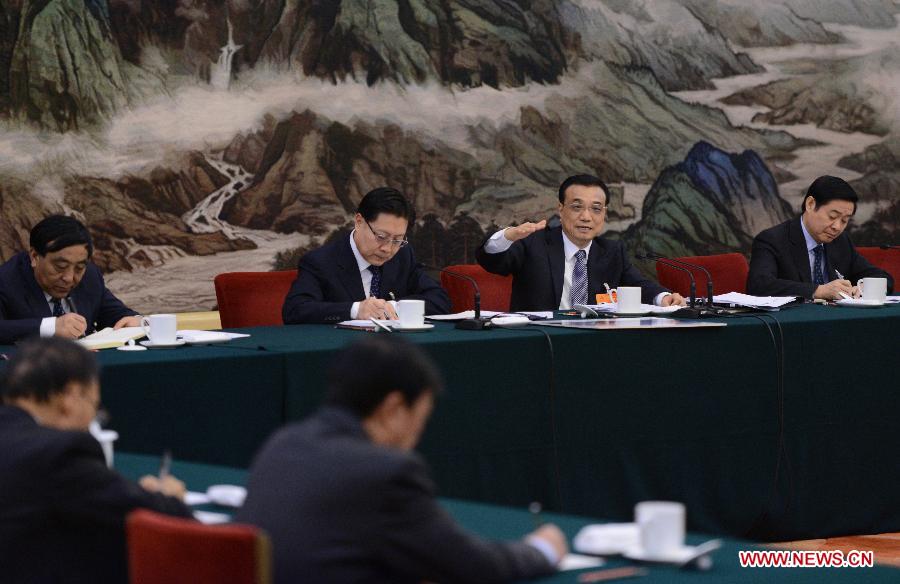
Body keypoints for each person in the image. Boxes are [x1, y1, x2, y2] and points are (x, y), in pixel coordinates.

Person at [237, 336, 566, 583]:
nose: (416, 437)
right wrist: (542, 549)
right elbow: (471, 566)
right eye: (420, 420)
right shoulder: (385, 472)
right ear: (393, 408)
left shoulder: (284, 442)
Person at [0, 337, 191, 584]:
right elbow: (149, 516)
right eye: (94, 405)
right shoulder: (58, 454)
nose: (92, 418)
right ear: (72, 397)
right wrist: (169, 497)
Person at [476, 175, 686, 311]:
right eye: (577, 207)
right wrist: (508, 236)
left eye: (596, 209)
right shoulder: (535, 244)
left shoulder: (611, 251)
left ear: (604, 213)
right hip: (541, 340)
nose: (586, 217)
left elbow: (639, 285)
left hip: (595, 342)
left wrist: (664, 297)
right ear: (561, 209)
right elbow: (492, 261)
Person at [282, 187, 451, 323]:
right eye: (381, 237)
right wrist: (356, 310)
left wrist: (393, 306)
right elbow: (295, 310)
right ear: (359, 221)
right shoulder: (320, 262)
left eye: (397, 240)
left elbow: (440, 301)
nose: (387, 248)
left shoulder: (403, 256)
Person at [0, 215, 141, 345]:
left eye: (79, 268)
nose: (69, 278)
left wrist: (137, 322)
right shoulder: (6, 280)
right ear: (34, 256)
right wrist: (51, 327)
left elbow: (120, 315)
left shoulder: (90, 276)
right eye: (60, 267)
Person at [747, 175, 893, 299]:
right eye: (832, 216)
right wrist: (819, 291)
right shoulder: (772, 240)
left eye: (844, 220)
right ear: (810, 204)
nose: (837, 227)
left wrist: (863, 287)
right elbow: (759, 285)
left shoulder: (841, 242)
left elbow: (884, 278)